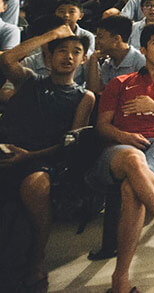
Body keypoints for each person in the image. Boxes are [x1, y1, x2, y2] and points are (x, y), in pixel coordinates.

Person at [87, 22, 154, 293]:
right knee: (134, 160)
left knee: (131, 190)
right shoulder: (120, 83)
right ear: (144, 49)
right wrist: (124, 137)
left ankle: (120, 280)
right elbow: (102, 127)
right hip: (117, 149)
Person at [0, 23, 94, 293]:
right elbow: (7, 59)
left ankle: (36, 261)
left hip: (44, 159)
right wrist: (52, 35)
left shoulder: (84, 96)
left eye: (76, 52)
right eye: (61, 50)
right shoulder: (30, 82)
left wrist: (29, 155)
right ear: (48, 57)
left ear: (83, 59)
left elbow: (70, 144)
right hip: (9, 149)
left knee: (36, 185)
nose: (68, 56)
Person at [86, 15, 146, 96]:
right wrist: (93, 59)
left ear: (116, 39)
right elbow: (96, 89)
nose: (97, 42)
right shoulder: (108, 63)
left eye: (100, 37)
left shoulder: (141, 62)